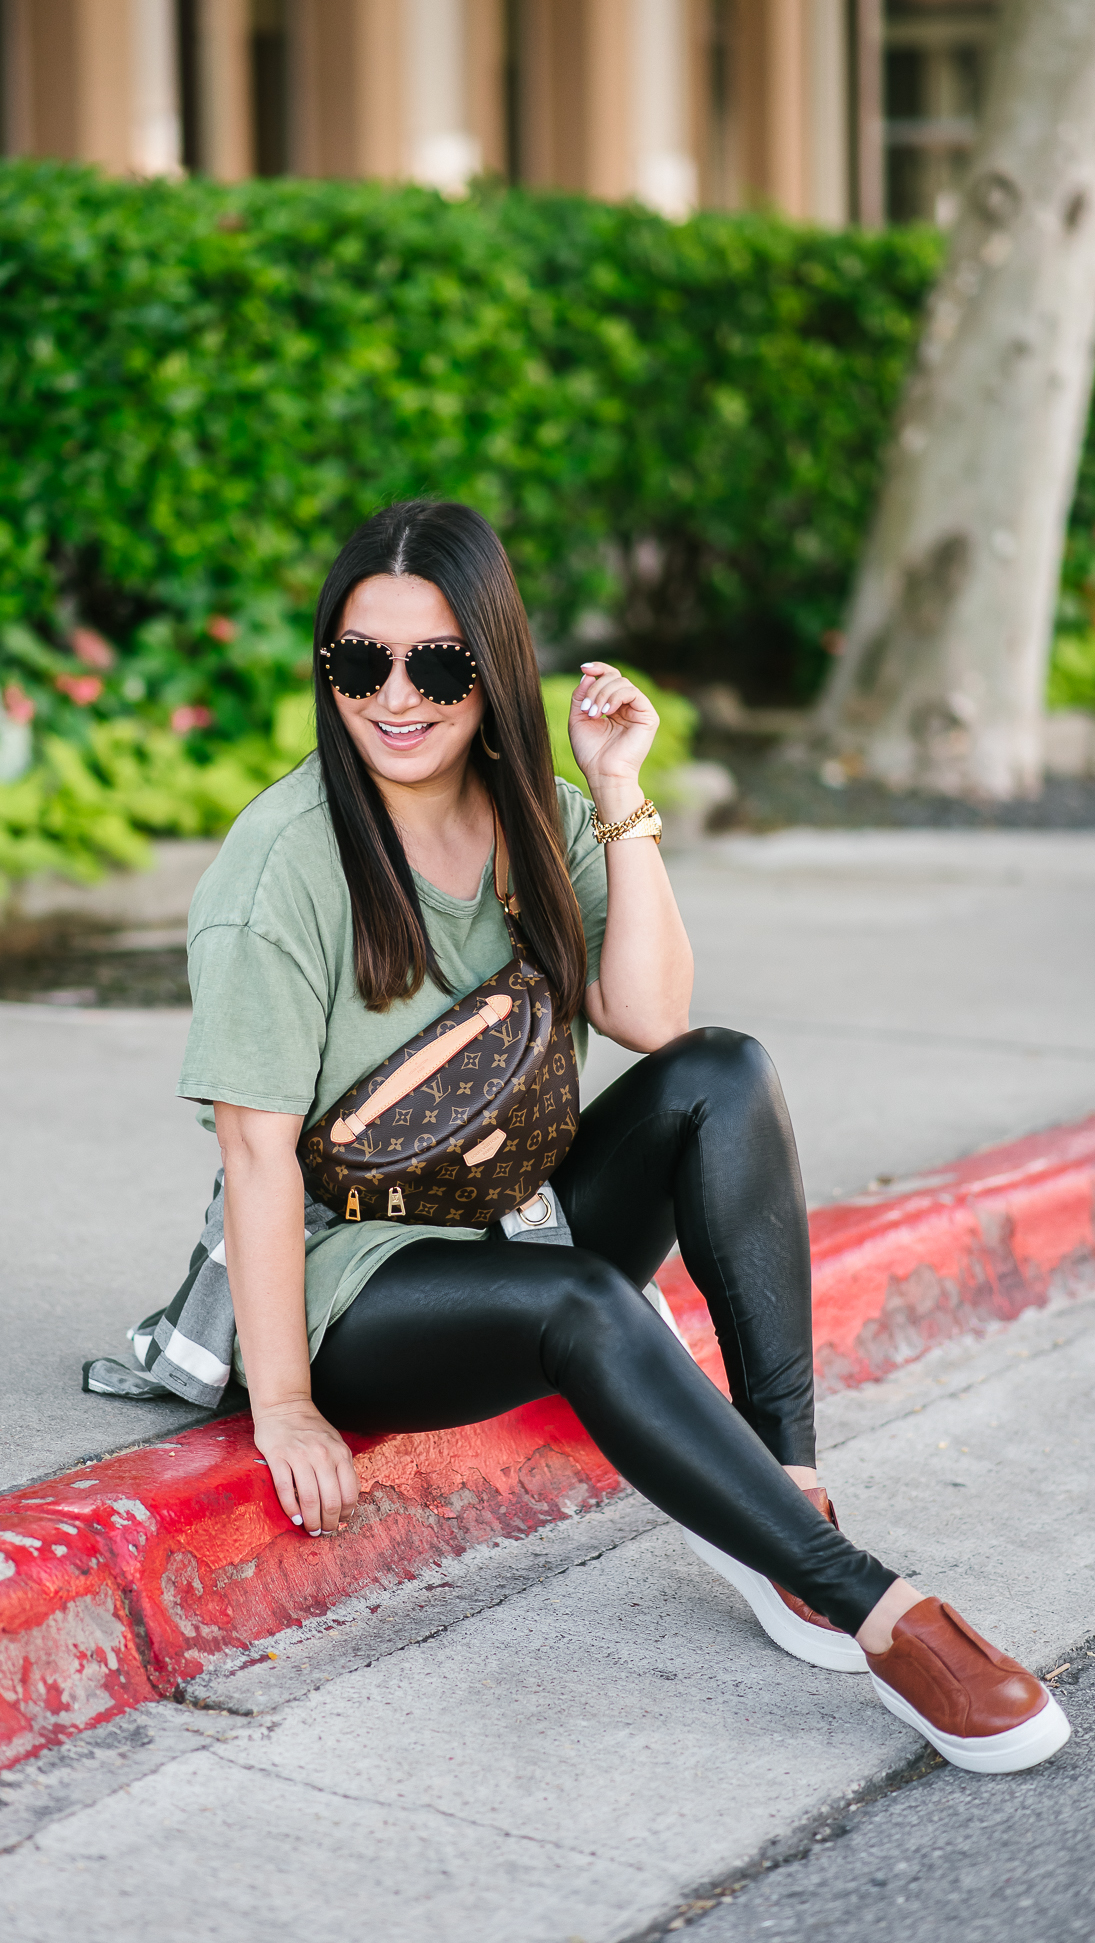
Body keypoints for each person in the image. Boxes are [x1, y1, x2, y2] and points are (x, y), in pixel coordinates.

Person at [175, 499, 1068, 1776]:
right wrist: (284, 1407)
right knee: (589, 1299)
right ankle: (875, 1606)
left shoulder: (532, 812)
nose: (395, 696)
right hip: (356, 1277)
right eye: (360, 660)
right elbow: (256, 1154)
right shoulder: (284, 867)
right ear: (329, 667)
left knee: (724, 1073)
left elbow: (652, 1018)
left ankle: (782, 1485)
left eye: (435, 665)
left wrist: (616, 794)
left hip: (515, 1211)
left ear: (492, 665)